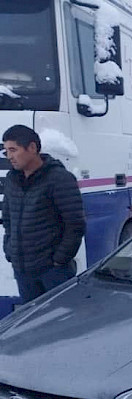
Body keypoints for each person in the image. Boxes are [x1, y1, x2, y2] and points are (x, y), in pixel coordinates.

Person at [2, 125, 85, 303]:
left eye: (13, 150)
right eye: (6, 151)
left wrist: (59, 260)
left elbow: (75, 224)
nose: (9, 156)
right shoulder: (12, 179)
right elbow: (8, 219)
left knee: (60, 320)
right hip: (23, 270)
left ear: (32, 148)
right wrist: (10, 249)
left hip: (53, 271)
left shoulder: (59, 178)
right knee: (32, 324)